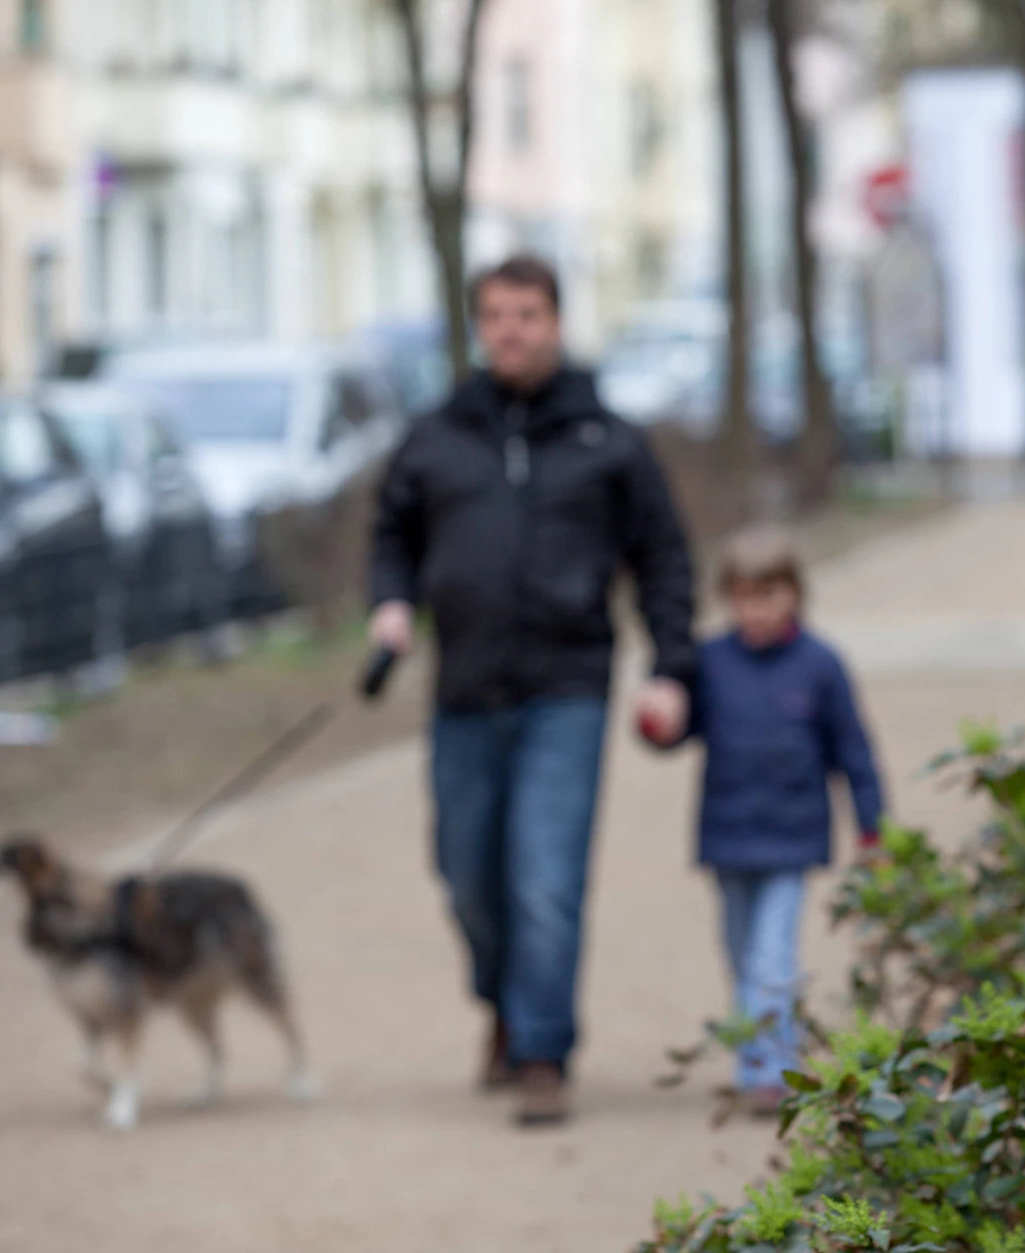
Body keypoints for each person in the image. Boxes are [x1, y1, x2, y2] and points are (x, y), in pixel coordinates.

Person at [369, 254, 695, 1127]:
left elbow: (663, 558)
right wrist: (391, 605)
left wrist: (671, 665)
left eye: (527, 314)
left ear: (556, 322)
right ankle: (506, 1006)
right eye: (496, 315)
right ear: (480, 327)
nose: (510, 330)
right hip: (464, 690)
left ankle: (543, 1050)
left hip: (568, 688)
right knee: (469, 877)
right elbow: (391, 531)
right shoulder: (438, 434)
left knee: (545, 878)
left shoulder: (609, 441)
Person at [663, 527, 885, 1117]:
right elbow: (681, 727)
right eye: (742, 599)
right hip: (728, 836)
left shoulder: (820, 664)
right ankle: (773, 1046)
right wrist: (657, 721)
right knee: (740, 955)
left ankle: (766, 1071)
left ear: (794, 595)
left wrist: (872, 828)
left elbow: (853, 750)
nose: (754, 611)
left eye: (766, 597)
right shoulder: (710, 662)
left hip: (791, 836)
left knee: (771, 958)